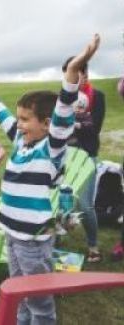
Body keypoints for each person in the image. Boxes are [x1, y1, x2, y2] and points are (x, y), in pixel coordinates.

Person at [0, 34, 100, 325]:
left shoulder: (52, 147)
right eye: (19, 119)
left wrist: (72, 74)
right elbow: (2, 115)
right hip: (13, 236)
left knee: (39, 300)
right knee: (20, 293)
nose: (19, 124)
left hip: (33, 240)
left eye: (25, 119)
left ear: (46, 124)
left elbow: (64, 111)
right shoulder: (21, 141)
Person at [62, 51, 106, 262]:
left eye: (73, 75)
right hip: (64, 155)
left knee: (85, 203)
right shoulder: (63, 96)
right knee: (61, 201)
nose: (69, 80)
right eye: (67, 76)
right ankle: (54, 239)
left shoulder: (97, 97)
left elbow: (94, 129)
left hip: (87, 155)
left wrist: (73, 122)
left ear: (85, 75)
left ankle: (93, 245)